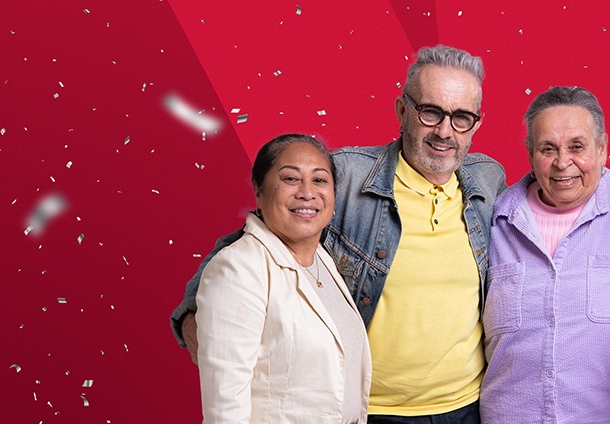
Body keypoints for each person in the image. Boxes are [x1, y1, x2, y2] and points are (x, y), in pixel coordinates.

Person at [171, 45, 505, 423]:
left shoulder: (485, 180)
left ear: (476, 124)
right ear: (402, 110)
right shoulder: (347, 176)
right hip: (369, 410)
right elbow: (252, 238)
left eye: (461, 118)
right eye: (430, 112)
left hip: (468, 408)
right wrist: (193, 314)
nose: (445, 132)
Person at [481, 86, 610, 423]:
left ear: (602, 149)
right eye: (548, 149)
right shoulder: (492, 220)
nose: (562, 162)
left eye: (577, 147)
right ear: (530, 154)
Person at [196, 134, 371, 423]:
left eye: (319, 180)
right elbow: (224, 409)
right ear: (258, 190)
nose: (307, 193)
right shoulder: (237, 268)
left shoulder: (323, 261)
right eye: (290, 178)